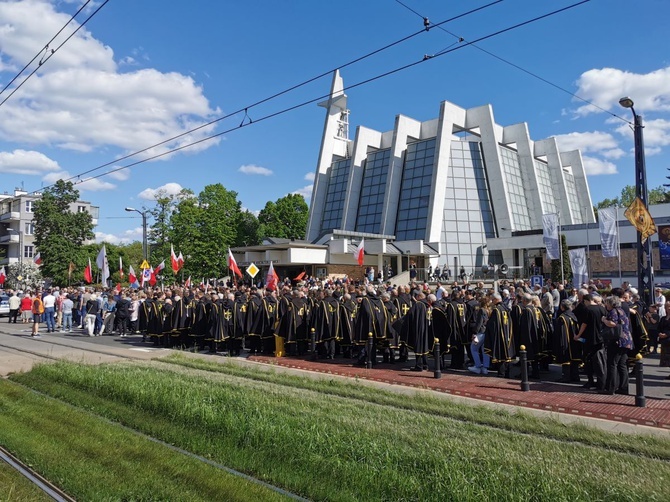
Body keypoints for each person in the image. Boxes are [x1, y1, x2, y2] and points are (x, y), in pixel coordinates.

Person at [601, 295, 633, 395]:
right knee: (622, 364)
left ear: (611, 304)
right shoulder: (622, 311)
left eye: (607, 303)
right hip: (626, 340)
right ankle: (624, 387)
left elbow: (612, 323)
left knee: (612, 363)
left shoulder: (613, 312)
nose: (606, 305)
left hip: (617, 340)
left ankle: (611, 388)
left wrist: (604, 320)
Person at [468, 297, 490, 375]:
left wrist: (474, 332)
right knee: (485, 350)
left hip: (480, 332)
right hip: (486, 332)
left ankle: (477, 366)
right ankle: (485, 367)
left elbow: (479, 322)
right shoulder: (489, 310)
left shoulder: (482, 310)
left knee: (473, 348)